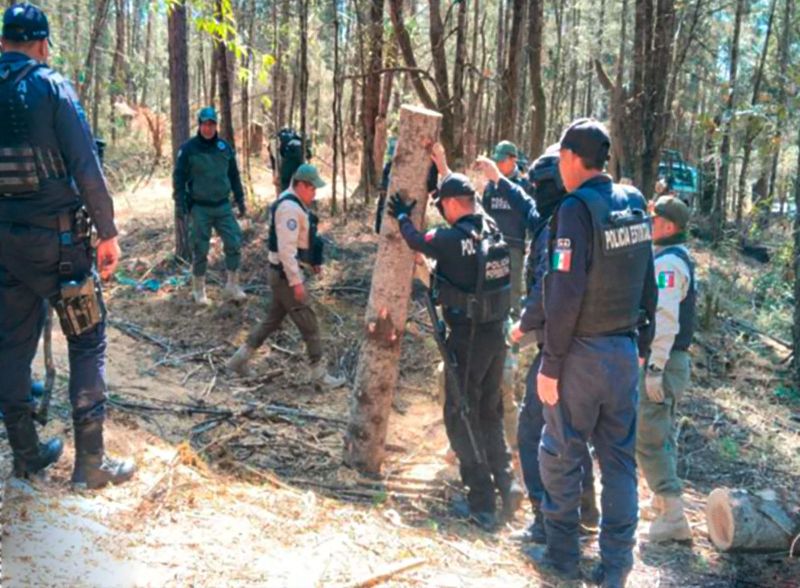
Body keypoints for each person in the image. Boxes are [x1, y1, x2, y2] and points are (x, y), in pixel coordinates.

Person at [0, 3, 134, 489]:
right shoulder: (52, 88)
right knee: (87, 340)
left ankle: (27, 454)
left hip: (7, 251)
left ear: (2, 43)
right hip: (61, 248)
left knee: (11, 347)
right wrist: (108, 231)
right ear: (41, 44)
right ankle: (90, 464)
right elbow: (86, 169)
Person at [527, 119, 657, 588]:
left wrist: (551, 363)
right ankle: (617, 567)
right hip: (623, 352)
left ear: (569, 157)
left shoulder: (575, 209)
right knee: (620, 462)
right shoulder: (635, 202)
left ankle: (562, 559)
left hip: (580, 356)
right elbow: (647, 277)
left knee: (560, 454)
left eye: (560, 158)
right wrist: (641, 344)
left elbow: (563, 293)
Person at [387, 143, 523, 530]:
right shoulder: (491, 230)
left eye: (442, 205)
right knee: (489, 412)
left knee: (460, 415)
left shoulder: (449, 240)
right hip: (496, 336)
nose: (442, 212)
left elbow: (416, 239)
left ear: (449, 205)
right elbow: (465, 201)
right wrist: (444, 169)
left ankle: (481, 502)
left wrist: (401, 215)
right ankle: (508, 486)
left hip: (468, 338)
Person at [497, 146, 599, 544]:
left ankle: (546, 520)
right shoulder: (581, 218)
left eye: (540, 185)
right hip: (590, 347)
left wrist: (522, 326)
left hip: (558, 350)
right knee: (574, 436)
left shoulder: (561, 226)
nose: (535, 191)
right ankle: (585, 513)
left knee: (533, 431)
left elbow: (548, 286)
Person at [226, 164, 345, 390]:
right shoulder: (289, 208)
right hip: (285, 275)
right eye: (312, 188)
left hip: (281, 274)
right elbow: (286, 251)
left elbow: (298, 244)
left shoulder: (292, 203)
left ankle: (238, 361)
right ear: (300, 185)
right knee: (310, 324)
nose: (315, 193)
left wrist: (311, 263)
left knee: (271, 321)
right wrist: (296, 281)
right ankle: (318, 375)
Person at [638, 195, 695, 543]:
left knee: (649, 437)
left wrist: (655, 367)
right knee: (657, 433)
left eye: (656, 219)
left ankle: (673, 516)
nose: (650, 224)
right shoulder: (668, 258)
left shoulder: (669, 265)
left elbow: (666, 319)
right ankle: (662, 501)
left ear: (669, 227)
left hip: (667, 359)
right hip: (669, 359)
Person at [481, 141, 531, 451]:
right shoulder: (490, 188)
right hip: (492, 247)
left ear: (514, 160)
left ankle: (509, 348)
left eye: (505, 160)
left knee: (512, 299)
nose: (501, 165)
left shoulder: (522, 187)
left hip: (514, 248)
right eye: (498, 161)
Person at [173, 106, 247, 305]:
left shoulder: (224, 148)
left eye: (212, 124)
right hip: (200, 207)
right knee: (200, 248)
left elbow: (234, 175)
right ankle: (199, 290)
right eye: (205, 124)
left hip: (223, 206)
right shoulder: (189, 149)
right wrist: (180, 204)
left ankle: (232, 285)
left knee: (233, 241)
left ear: (216, 125)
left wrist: (240, 199)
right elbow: (178, 178)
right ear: (199, 125)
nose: (208, 128)